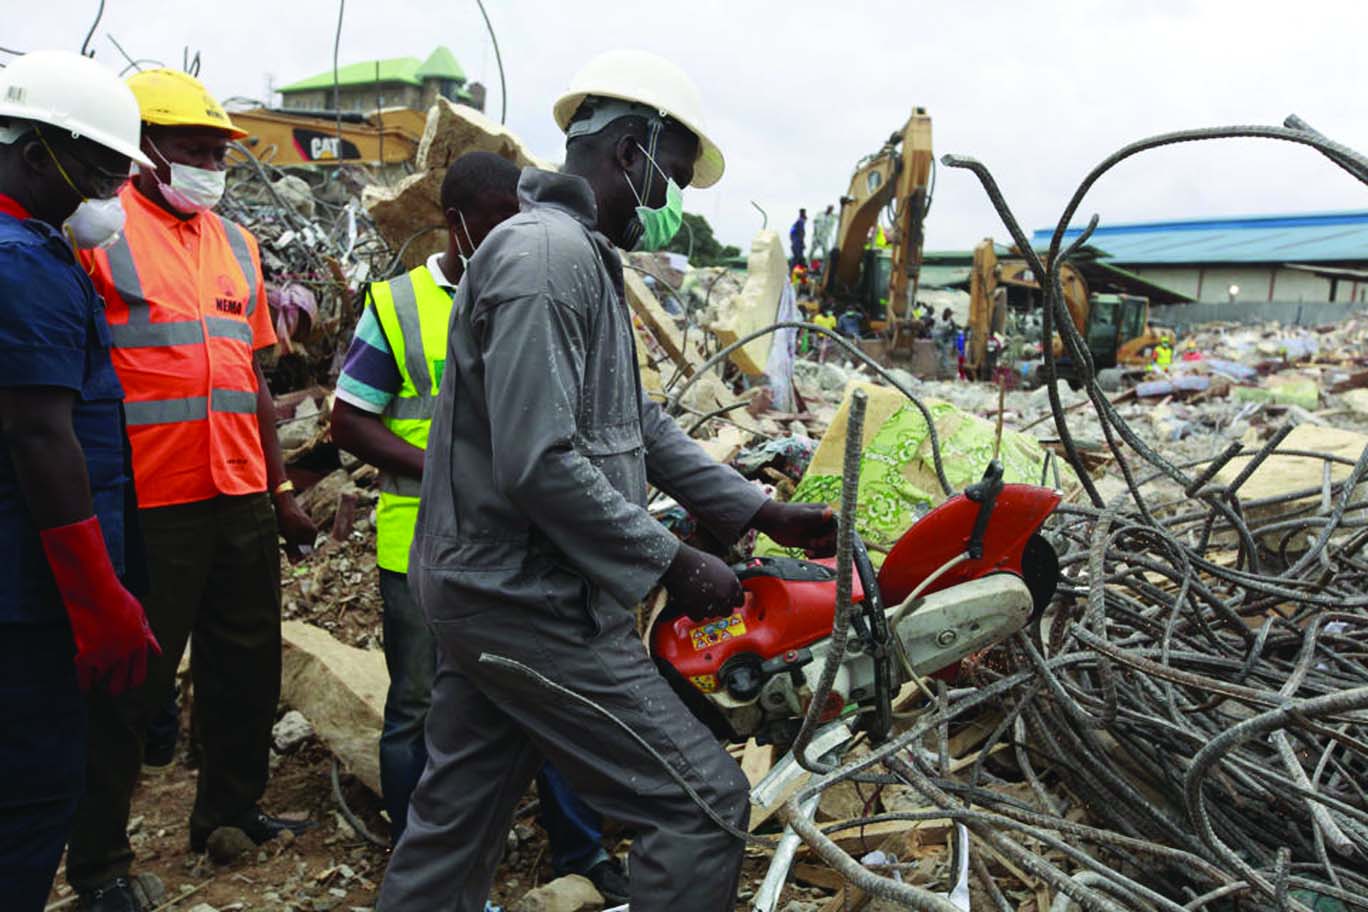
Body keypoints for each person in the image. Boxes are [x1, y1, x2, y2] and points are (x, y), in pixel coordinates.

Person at [376, 50, 836, 912]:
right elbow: (540, 460)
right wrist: (672, 562)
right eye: (672, 182)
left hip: (500, 591)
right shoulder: (547, 261)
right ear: (631, 151)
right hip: (527, 600)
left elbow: (640, 425)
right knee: (700, 807)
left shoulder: (576, 256)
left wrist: (760, 511)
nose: (668, 209)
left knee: (452, 830)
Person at [330, 151, 627, 903]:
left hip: (528, 551)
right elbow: (349, 419)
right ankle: (427, 864)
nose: (511, 242)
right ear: (456, 227)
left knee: (549, 699)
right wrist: (443, 468)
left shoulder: (544, 285)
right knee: (420, 713)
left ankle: (579, 853)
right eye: (494, 228)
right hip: (421, 547)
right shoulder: (398, 305)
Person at [67, 68, 318, 910]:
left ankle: (229, 810)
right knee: (131, 681)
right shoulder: (96, 235)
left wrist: (279, 488)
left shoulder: (236, 243)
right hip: (149, 500)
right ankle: (99, 859)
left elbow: (249, 379)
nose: (212, 164)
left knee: (245, 665)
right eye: (195, 150)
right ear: (144, 151)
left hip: (239, 490)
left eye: (220, 151)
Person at [0, 50, 162, 912]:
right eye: (98, 172)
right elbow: (40, 435)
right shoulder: (22, 263)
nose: (109, 195)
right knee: (29, 801)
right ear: (35, 155)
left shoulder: (32, 250)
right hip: (28, 598)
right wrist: (100, 602)